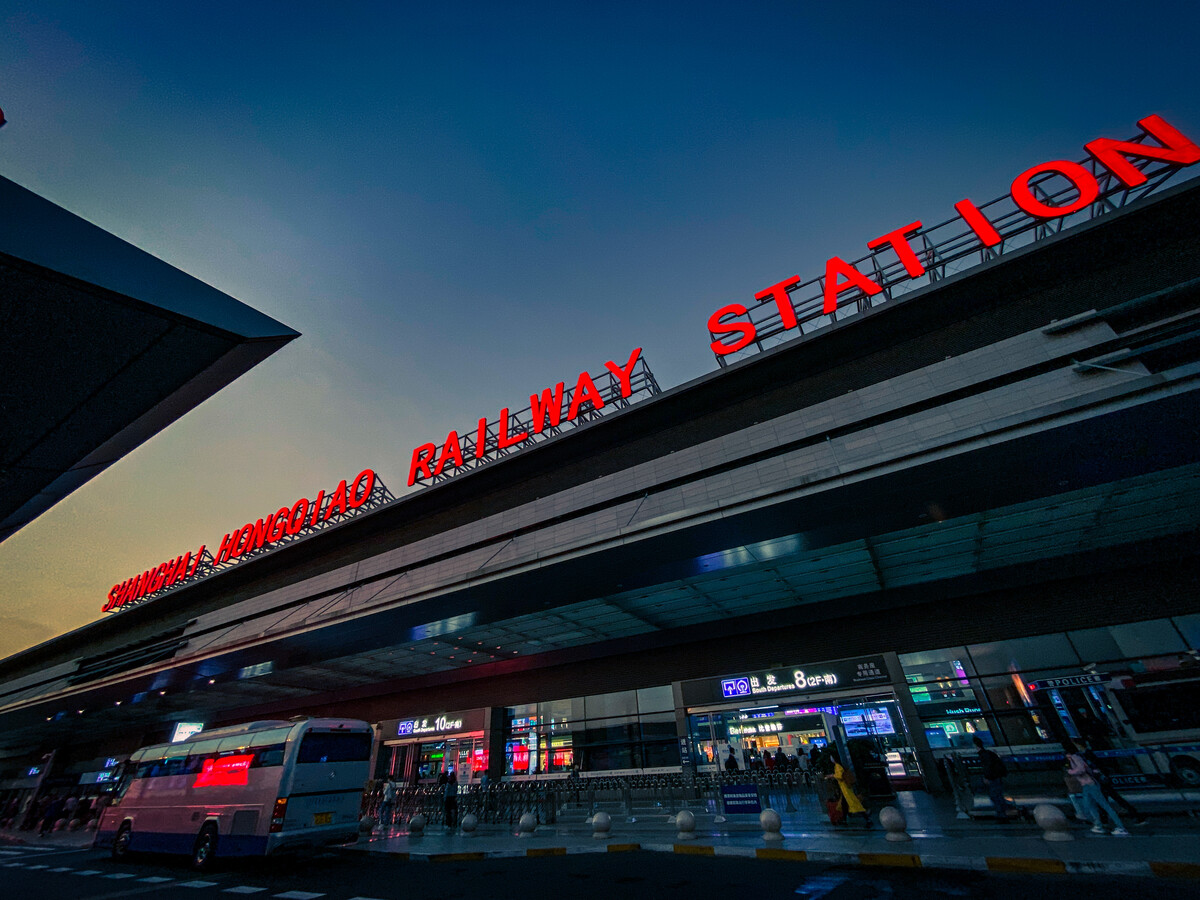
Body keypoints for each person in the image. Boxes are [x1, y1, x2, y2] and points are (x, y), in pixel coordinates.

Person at [1064, 739, 1128, 835]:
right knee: (1090, 805)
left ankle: (1120, 827)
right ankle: (1098, 825)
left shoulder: (1075, 757)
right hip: (1086, 784)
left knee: (1102, 805)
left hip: (1089, 783)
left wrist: (1070, 772)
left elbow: (1081, 769)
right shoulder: (1077, 757)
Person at [973, 736, 1013, 821]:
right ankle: (1005, 811)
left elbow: (988, 767)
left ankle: (1002, 814)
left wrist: (987, 777)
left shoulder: (984, 755)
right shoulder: (988, 753)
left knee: (995, 796)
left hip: (993, 777)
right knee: (997, 795)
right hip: (996, 776)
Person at [825, 751, 870, 827]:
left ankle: (867, 819)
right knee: (844, 805)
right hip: (844, 789)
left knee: (854, 804)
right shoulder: (838, 765)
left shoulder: (837, 766)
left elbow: (839, 775)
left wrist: (832, 776)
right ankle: (845, 820)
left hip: (846, 789)